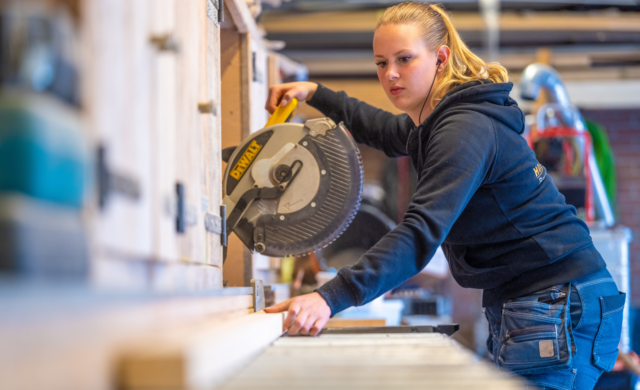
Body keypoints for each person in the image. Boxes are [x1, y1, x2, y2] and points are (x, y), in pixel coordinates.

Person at [264, 3, 625, 389]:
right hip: (542, 298)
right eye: (381, 63)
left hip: (558, 299)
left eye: (404, 59)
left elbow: (420, 232)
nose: (391, 74)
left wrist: (330, 297)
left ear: (440, 58)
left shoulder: (462, 130)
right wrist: (316, 94)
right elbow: (384, 130)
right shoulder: (442, 121)